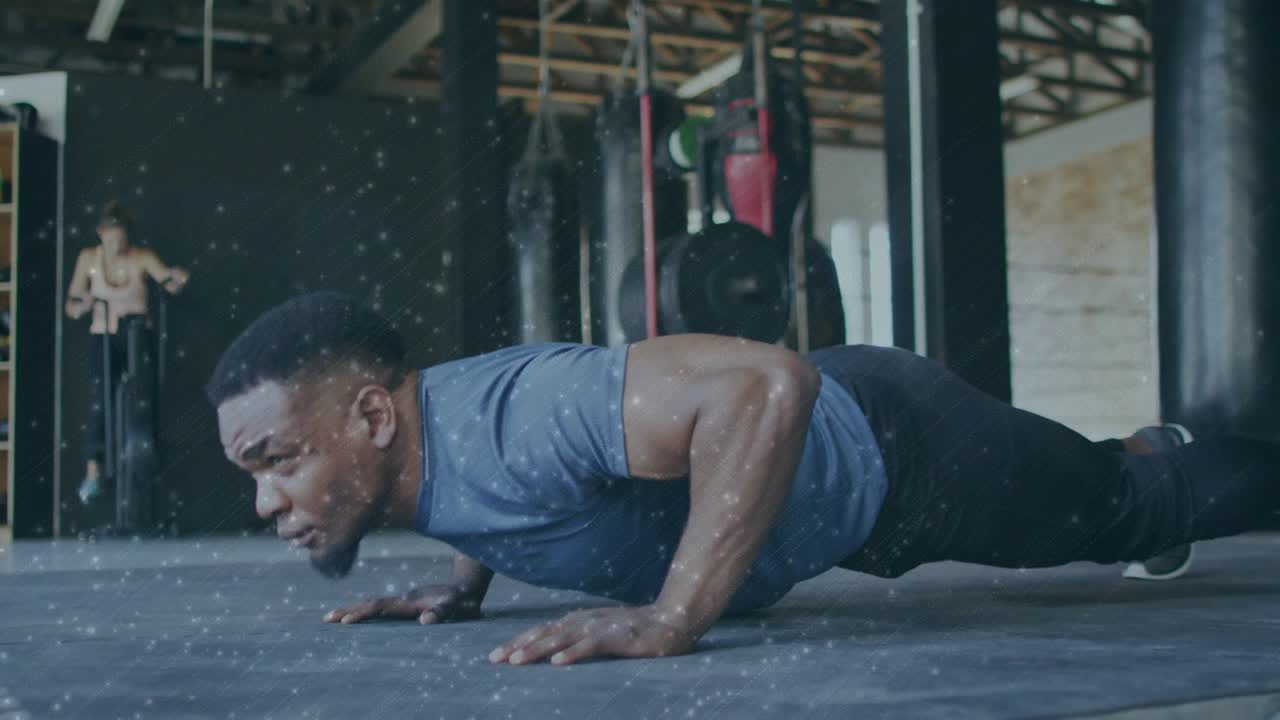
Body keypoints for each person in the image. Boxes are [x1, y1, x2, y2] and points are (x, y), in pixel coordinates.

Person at [208, 293, 1279, 666]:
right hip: (849, 507)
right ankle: (1136, 455)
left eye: (278, 461)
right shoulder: (434, 450)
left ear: (371, 416)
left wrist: (673, 616)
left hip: (904, 456)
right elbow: (508, 493)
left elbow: (764, 386)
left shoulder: (516, 416)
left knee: (1138, 510)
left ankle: (1160, 463)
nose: (267, 502)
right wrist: (466, 580)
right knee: (1114, 491)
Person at [65, 200, 189, 505]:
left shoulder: (141, 257)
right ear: (100, 233)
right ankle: (94, 471)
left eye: (121, 238)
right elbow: (71, 306)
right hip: (103, 335)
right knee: (101, 400)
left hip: (136, 334)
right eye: (111, 238)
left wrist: (176, 280)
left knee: (142, 398)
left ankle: (143, 465)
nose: (116, 244)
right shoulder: (88, 259)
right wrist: (83, 305)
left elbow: (166, 281)